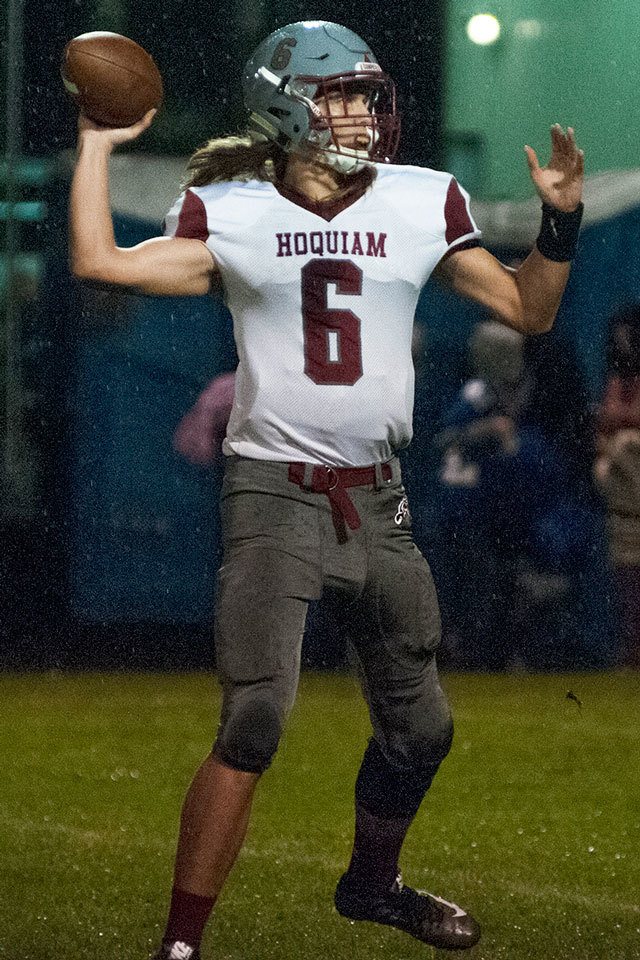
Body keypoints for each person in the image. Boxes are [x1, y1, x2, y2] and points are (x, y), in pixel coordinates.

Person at [69, 21, 585, 958]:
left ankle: (372, 884)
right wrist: (98, 146)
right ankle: (179, 947)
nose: (365, 113)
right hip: (272, 493)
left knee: (423, 728)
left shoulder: (420, 198)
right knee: (256, 717)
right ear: (286, 105)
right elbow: (100, 262)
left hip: (379, 500)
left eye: (367, 94)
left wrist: (560, 221)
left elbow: (529, 307)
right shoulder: (229, 210)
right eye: (343, 93)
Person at [595, 305, 640, 667]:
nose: (622, 343)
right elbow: (601, 426)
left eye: (629, 336)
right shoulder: (614, 381)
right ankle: (631, 648)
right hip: (620, 499)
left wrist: (624, 440)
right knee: (626, 578)